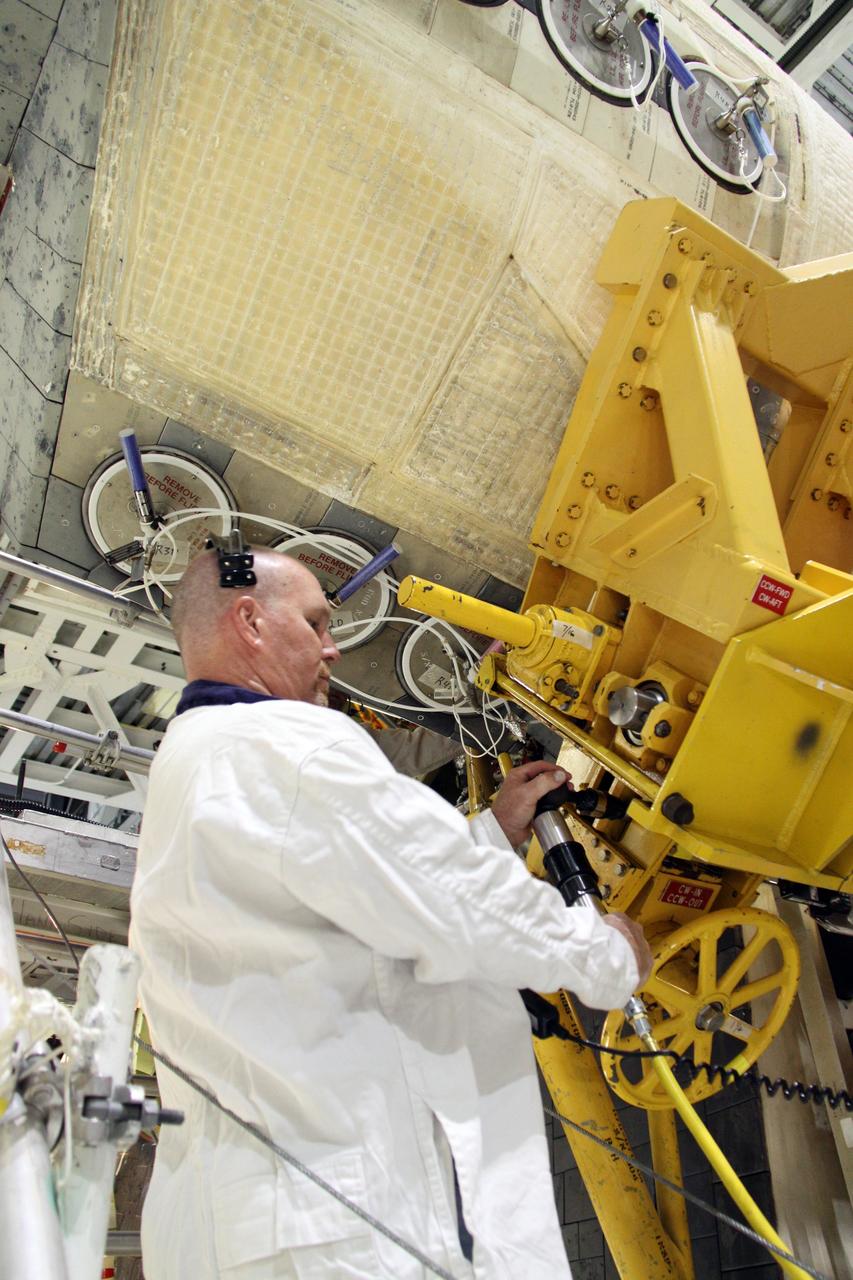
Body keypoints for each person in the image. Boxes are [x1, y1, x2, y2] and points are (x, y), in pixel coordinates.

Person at [130, 548, 652, 1280]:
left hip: (262, 1225)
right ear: (248, 619)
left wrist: (488, 837)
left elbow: (337, 903)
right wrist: (607, 956)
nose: (331, 646)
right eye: (314, 622)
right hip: (340, 1228)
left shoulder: (201, 759)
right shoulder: (279, 745)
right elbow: (448, 899)